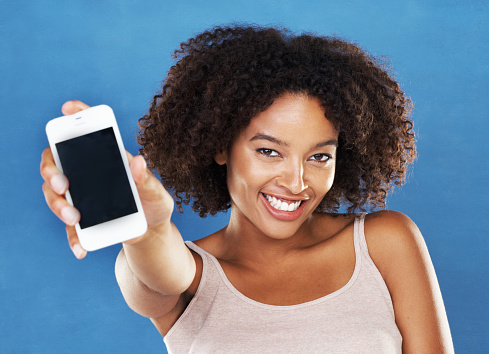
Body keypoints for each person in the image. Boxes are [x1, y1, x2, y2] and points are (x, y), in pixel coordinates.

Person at [41, 25, 453, 353]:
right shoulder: (192, 276)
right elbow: (155, 272)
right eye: (269, 151)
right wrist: (148, 232)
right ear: (221, 146)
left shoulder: (384, 243)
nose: (296, 182)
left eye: (319, 156)